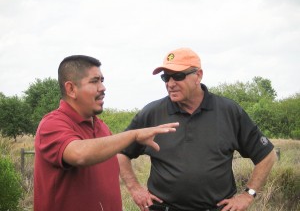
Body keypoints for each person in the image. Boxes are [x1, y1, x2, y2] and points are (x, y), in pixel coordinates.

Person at [118, 48, 277, 211]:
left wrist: (248, 194)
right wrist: (135, 189)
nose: (170, 84)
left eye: (178, 76)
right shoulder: (152, 113)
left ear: (198, 75)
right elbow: (121, 151)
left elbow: (266, 155)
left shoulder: (228, 111)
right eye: (166, 77)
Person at [33, 55, 179, 211]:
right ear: (71, 89)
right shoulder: (52, 124)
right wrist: (134, 135)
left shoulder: (102, 127)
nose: (102, 88)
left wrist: (135, 188)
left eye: (102, 80)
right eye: (94, 81)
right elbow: (79, 154)